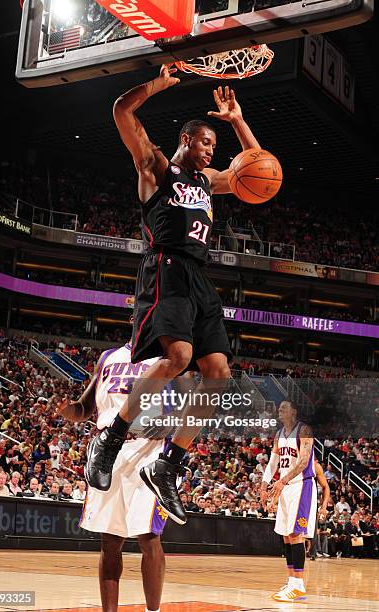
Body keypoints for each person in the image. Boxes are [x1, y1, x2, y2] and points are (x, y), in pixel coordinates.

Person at [87, 65, 261, 524]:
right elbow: (121, 109)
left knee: (219, 374)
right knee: (179, 357)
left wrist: (237, 121)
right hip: (164, 266)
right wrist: (158, 86)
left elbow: (257, 169)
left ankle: (169, 464)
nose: (211, 151)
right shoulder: (157, 166)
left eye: (214, 146)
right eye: (206, 142)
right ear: (186, 139)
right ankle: (110, 438)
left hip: (198, 277)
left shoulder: (208, 182)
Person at [57, 342, 172, 612]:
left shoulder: (170, 357)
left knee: (148, 536)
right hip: (109, 449)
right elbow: (84, 409)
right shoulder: (109, 356)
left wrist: (169, 424)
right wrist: (66, 410)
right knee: (110, 541)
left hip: (147, 450)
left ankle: (152, 611)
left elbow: (187, 409)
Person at [260, 401, 316, 603]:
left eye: (284, 407)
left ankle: (299, 585)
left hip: (301, 485)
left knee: (295, 533)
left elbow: (303, 461)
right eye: (279, 408)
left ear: (294, 411)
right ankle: (292, 581)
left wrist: (282, 481)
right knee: (285, 535)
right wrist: (264, 484)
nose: (279, 410)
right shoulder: (279, 434)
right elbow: (273, 462)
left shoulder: (305, 430)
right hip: (284, 486)